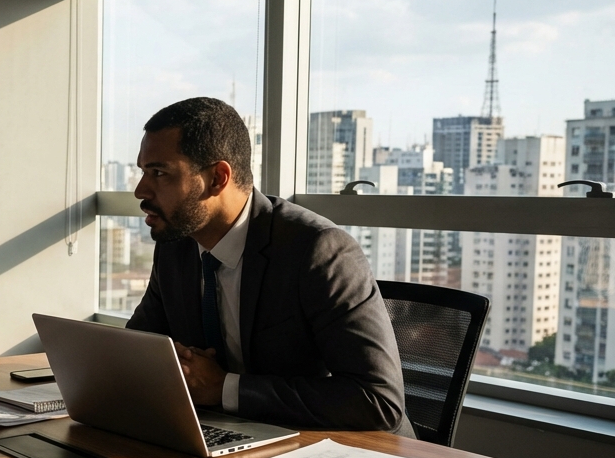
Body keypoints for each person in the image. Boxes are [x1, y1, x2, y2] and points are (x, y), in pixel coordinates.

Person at [127, 97, 413, 436]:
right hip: (234, 434)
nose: (140, 190)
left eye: (159, 173)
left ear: (218, 178)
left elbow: (377, 400)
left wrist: (223, 389)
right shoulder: (177, 245)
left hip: (347, 451)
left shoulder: (318, 250)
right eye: (143, 172)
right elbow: (137, 350)